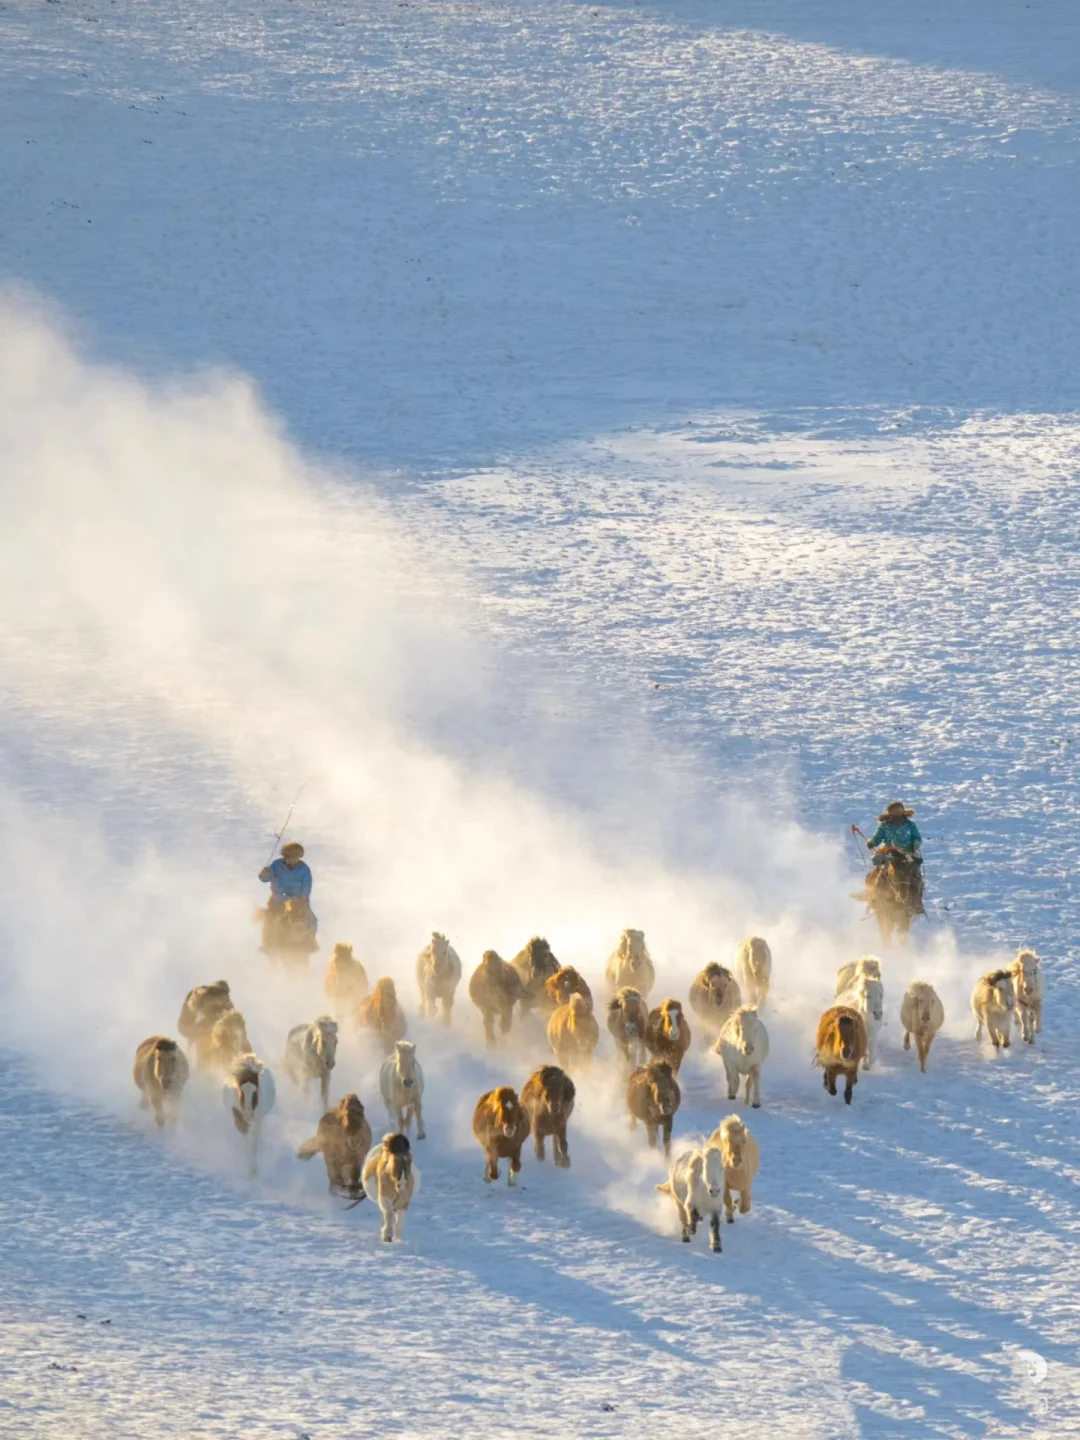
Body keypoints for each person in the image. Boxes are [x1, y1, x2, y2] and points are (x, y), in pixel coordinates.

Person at [866, 801, 924, 911]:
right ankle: (873, 897)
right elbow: (877, 837)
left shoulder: (910, 825)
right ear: (890, 815)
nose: (897, 817)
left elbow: (917, 837)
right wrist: (872, 842)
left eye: (899, 814)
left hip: (907, 853)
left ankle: (917, 902)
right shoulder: (884, 826)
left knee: (916, 875)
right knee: (877, 872)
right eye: (894, 814)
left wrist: (915, 844)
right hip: (889, 853)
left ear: (903, 813)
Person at [259, 841, 317, 932]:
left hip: (297, 900)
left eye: (295, 858)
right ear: (285, 856)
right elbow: (265, 879)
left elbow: (307, 886)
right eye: (289, 858)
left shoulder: (304, 869)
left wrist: (302, 899)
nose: (292, 861)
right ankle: (268, 941)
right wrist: (263, 874)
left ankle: (311, 942)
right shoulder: (276, 865)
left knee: (312, 921)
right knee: (270, 919)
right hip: (278, 899)